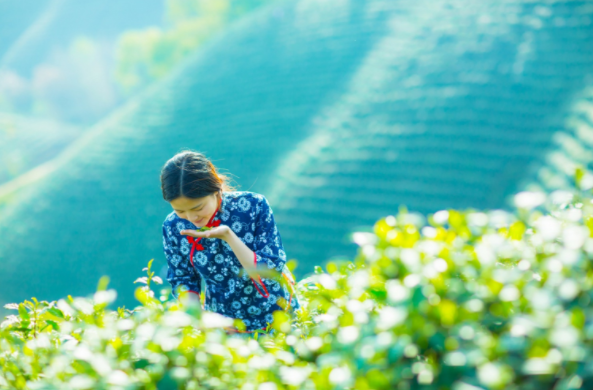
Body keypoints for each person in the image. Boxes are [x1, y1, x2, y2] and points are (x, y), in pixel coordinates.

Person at [160, 151, 300, 334]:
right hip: (224, 325)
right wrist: (200, 320)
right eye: (180, 211)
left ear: (217, 189)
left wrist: (229, 236)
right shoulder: (173, 226)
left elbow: (271, 271)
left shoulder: (253, 206)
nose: (191, 217)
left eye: (198, 207)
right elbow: (183, 279)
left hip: (277, 318)